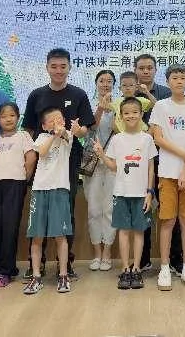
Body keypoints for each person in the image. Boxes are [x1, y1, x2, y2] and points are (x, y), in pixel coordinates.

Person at [21, 48, 94, 280]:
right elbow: (28, 130)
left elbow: (85, 129)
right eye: (54, 66)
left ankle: (66, 264)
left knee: (66, 211)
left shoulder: (79, 94)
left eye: (63, 66)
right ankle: (37, 264)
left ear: (70, 67)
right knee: (39, 214)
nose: (58, 70)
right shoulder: (36, 95)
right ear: (47, 67)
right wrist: (28, 159)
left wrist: (77, 130)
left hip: (68, 162)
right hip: (42, 161)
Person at [149, 64, 185, 291]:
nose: (179, 81)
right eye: (175, 77)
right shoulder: (161, 106)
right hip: (167, 173)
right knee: (167, 221)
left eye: (183, 77)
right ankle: (164, 268)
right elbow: (158, 138)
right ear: (168, 81)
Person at [94, 97, 158, 290]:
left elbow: (151, 168)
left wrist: (150, 192)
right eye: (126, 113)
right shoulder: (117, 139)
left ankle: (136, 268)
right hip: (121, 193)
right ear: (121, 116)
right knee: (123, 231)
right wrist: (101, 154)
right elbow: (114, 167)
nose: (131, 116)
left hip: (141, 195)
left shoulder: (147, 139)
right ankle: (125, 269)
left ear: (141, 114)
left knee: (139, 232)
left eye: (135, 112)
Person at [24, 107, 78, 295]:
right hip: (39, 190)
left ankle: (63, 274)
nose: (57, 122)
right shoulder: (41, 138)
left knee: (60, 235)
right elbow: (43, 152)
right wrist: (53, 136)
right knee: (37, 236)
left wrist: (61, 132)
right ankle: (36, 276)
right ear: (44, 125)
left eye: (60, 119)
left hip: (59, 190)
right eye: (52, 120)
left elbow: (66, 135)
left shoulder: (67, 136)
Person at [0, 102, 36, 288]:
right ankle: (2, 265)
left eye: (12, 115)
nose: (8, 119)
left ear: (18, 117)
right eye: (4, 116)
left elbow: (31, 157)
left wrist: (24, 178)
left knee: (9, 227)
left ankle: (4, 271)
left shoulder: (23, 136)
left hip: (16, 183)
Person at [133, 53, 176, 272]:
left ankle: (174, 260)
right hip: (139, 161)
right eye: (141, 68)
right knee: (143, 207)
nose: (145, 71)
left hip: (166, 158)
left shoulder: (166, 93)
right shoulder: (129, 92)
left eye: (149, 67)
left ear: (155, 70)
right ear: (135, 69)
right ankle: (143, 259)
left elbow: (169, 117)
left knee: (169, 209)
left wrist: (148, 95)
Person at [87, 69, 118, 272]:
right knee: (93, 209)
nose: (105, 84)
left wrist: (114, 111)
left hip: (113, 161)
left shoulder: (119, 105)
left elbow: (121, 130)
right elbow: (90, 127)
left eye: (109, 81)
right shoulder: (88, 103)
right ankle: (96, 253)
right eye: (102, 81)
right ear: (96, 83)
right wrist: (100, 107)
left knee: (109, 209)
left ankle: (107, 252)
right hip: (92, 162)